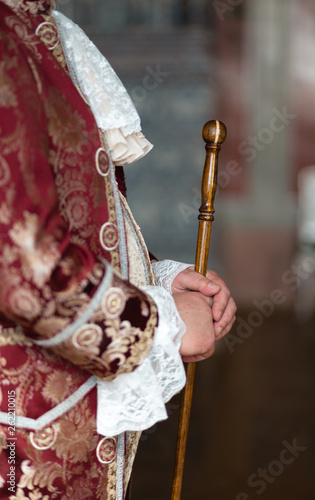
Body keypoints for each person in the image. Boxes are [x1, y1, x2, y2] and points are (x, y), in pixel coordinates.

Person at [0, 1, 236, 499]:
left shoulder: (32, 23)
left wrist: (151, 278)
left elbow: (55, 213)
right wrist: (156, 325)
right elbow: (17, 263)